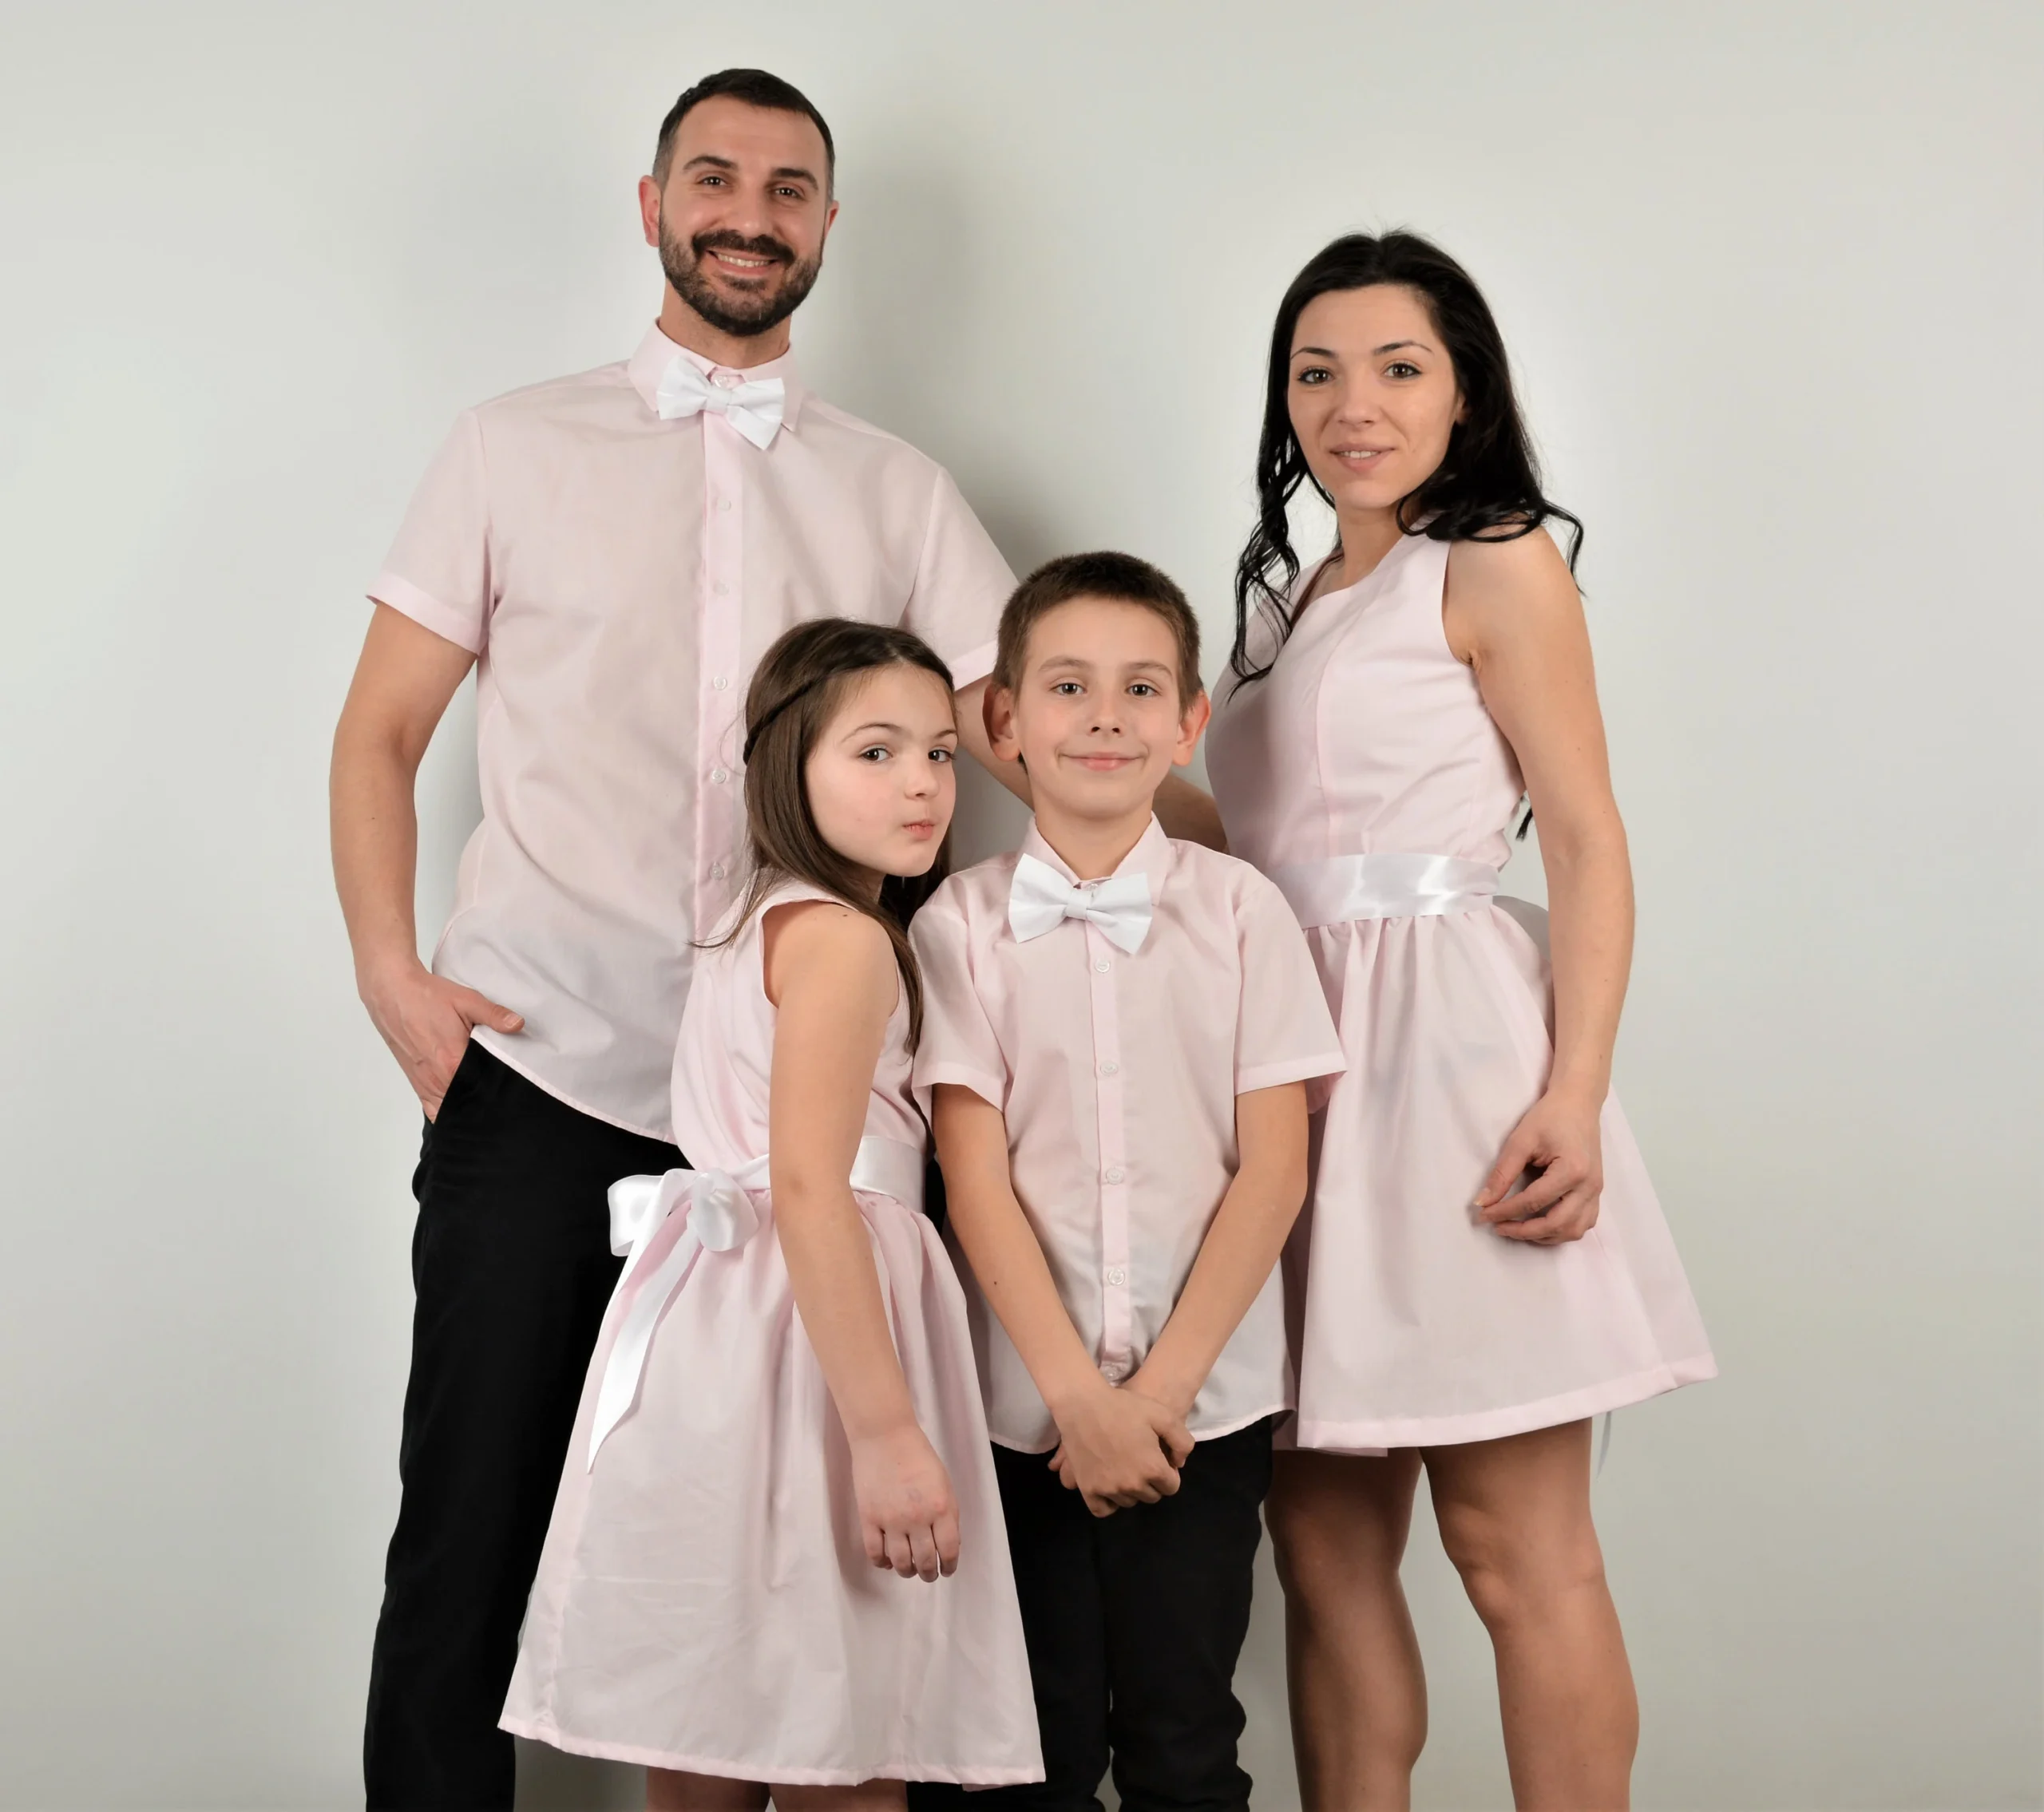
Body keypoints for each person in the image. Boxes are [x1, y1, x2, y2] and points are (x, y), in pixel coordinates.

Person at [331, 66, 1096, 1808]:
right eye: (716, 179)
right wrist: (392, 972)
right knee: (471, 1535)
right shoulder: (509, 446)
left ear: (827, 226)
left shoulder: (897, 492)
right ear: (655, 203)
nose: (748, 214)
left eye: (788, 188)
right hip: (544, 1070)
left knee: (798, 1566)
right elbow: (378, 731)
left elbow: (1035, 729)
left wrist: (1221, 863)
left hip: (796, 1122)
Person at [1202, 231, 1717, 1810]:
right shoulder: (1285, 606)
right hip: (1290, 1084)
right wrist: (1037, 737)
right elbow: (1258, 851)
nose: (1351, 405)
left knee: (1515, 1548)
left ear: (1464, 389)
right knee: (1323, 1548)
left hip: (1445, 1070)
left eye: (1396, 366)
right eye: (1315, 371)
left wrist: (1572, 1096)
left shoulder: (1492, 561)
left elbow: (1584, 837)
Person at [501, 619, 1041, 1807]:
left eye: (943, 753)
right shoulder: (846, 941)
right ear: (786, 765)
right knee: (834, 1737)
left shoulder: (756, 921)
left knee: (709, 1718)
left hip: (714, 1330)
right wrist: (890, 1434)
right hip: (814, 1347)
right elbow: (806, 1184)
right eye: (877, 750)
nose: (923, 782)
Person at [907, 554, 1345, 1812]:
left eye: (1141, 686)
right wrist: (1071, 1397)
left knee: (1184, 1729)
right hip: (1016, 1410)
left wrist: (1157, 1394)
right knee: (1022, 1753)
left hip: (1198, 1412)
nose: (1105, 714)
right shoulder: (957, 926)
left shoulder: (1246, 912)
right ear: (1005, 722)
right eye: (1067, 685)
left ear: (1187, 722)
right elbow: (971, 1178)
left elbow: (1273, 1170)